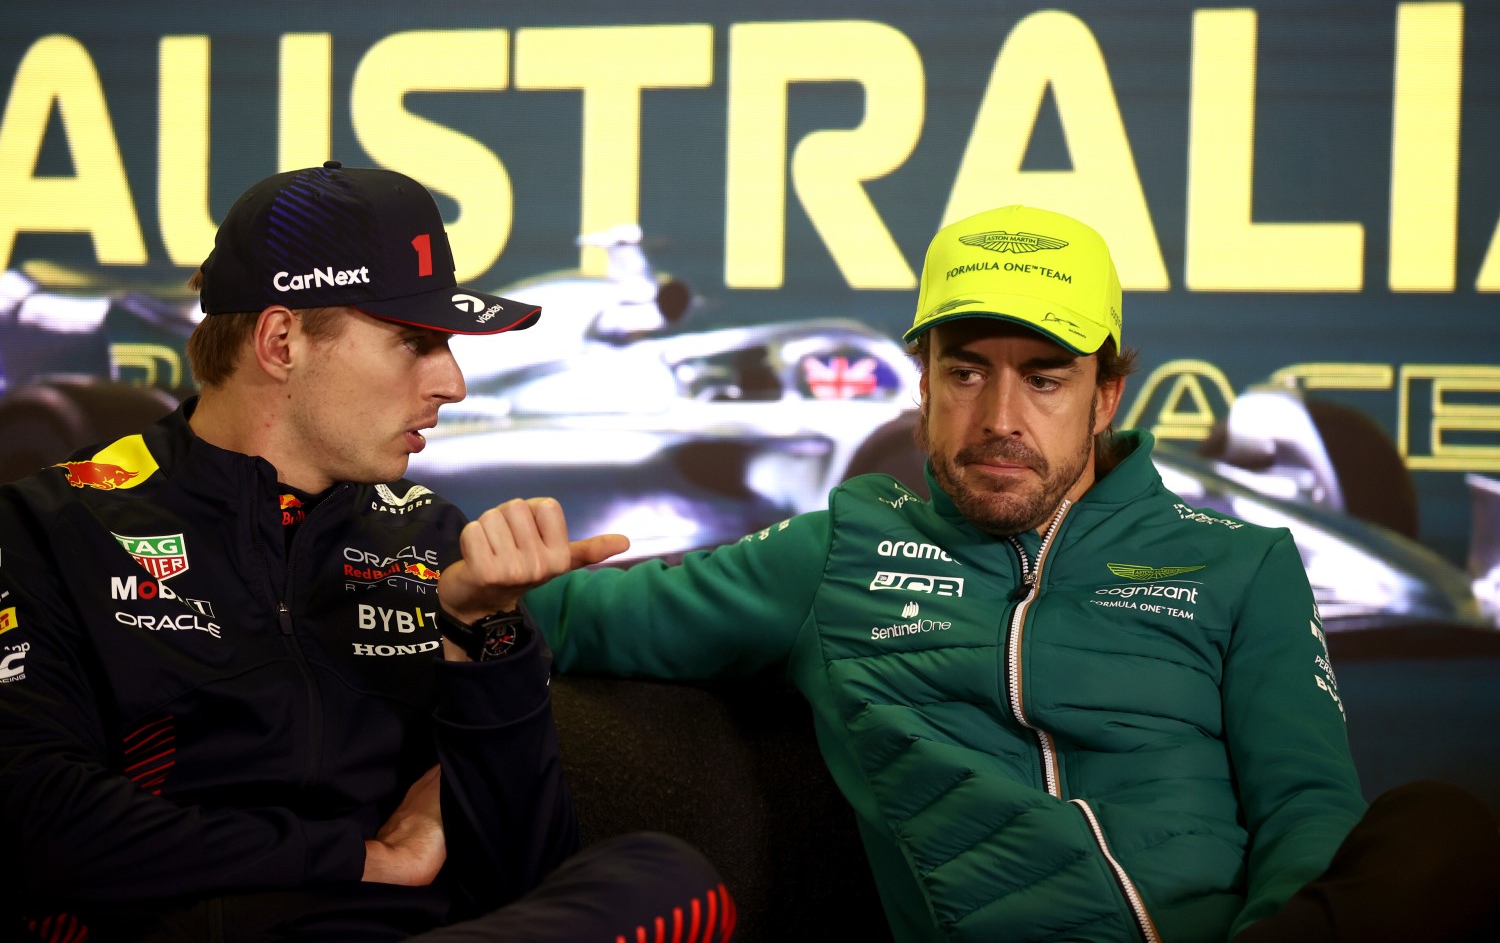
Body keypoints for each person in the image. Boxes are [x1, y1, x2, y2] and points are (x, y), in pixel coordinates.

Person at [520, 205, 1500, 942]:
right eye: (967, 370)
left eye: (1044, 376)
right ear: (925, 384)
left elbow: (1305, 804)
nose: (999, 418)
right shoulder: (834, 551)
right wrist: (474, 592)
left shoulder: (1242, 562)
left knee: (1440, 830)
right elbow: (572, 617)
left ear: (1106, 392)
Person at [0, 161, 736, 943]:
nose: (452, 382)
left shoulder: (430, 541)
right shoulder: (53, 523)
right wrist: (359, 859)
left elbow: (520, 875)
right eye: (414, 342)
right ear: (281, 341)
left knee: (667, 882)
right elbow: (32, 816)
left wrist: (485, 638)